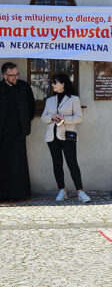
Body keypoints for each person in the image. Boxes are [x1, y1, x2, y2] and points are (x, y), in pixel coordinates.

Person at [41, 73, 91, 203]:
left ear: (63, 84)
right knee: (57, 163)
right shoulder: (49, 100)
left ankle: (80, 191)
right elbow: (43, 117)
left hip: (67, 135)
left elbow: (79, 117)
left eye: (55, 82)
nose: (52, 85)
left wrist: (64, 119)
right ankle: (61, 190)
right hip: (52, 136)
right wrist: (52, 117)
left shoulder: (74, 99)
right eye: (52, 83)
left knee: (72, 163)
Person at [0, 62, 35, 201]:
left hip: (19, 132)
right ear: (4, 76)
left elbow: (31, 108)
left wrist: (25, 122)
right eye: (12, 75)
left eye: (16, 74)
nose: (15, 77)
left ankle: (20, 194)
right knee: (3, 164)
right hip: (2, 134)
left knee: (19, 164)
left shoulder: (24, 87)